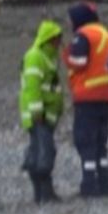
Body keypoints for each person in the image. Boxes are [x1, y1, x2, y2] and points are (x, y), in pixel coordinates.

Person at [63, 2, 108, 197]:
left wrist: (66, 55)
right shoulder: (105, 34)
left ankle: (89, 184)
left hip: (87, 94)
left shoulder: (84, 35)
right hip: (105, 94)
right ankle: (105, 181)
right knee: (101, 141)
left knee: (85, 140)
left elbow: (79, 62)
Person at [19, 19, 64, 204]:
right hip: (39, 115)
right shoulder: (35, 56)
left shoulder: (50, 57)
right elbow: (33, 86)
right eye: (56, 38)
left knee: (41, 150)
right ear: (48, 39)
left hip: (47, 115)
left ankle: (43, 192)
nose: (59, 42)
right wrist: (37, 110)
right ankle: (43, 191)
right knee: (45, 152)